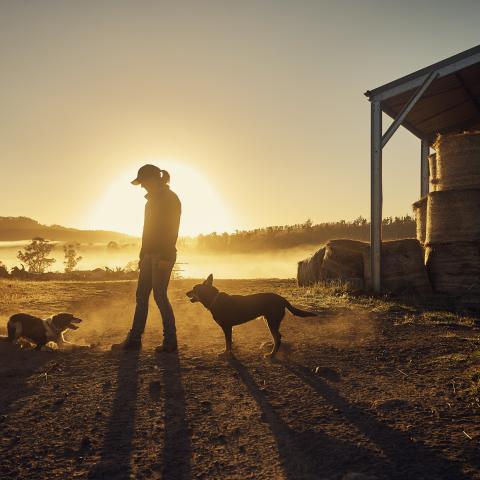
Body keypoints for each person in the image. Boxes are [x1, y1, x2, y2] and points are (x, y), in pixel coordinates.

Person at [112, 164, 181, 353]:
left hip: (162, 254)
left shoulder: (170, 199)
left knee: (159, 296)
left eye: (143, 182)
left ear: (153, 179)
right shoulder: (150, 202)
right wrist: (142, 256)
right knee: (141, 296)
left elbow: (172, 229)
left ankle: (170, 341)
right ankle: (134, 340)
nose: (142, 186)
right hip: (149, 255)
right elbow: (147, 231)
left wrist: (166, 256)